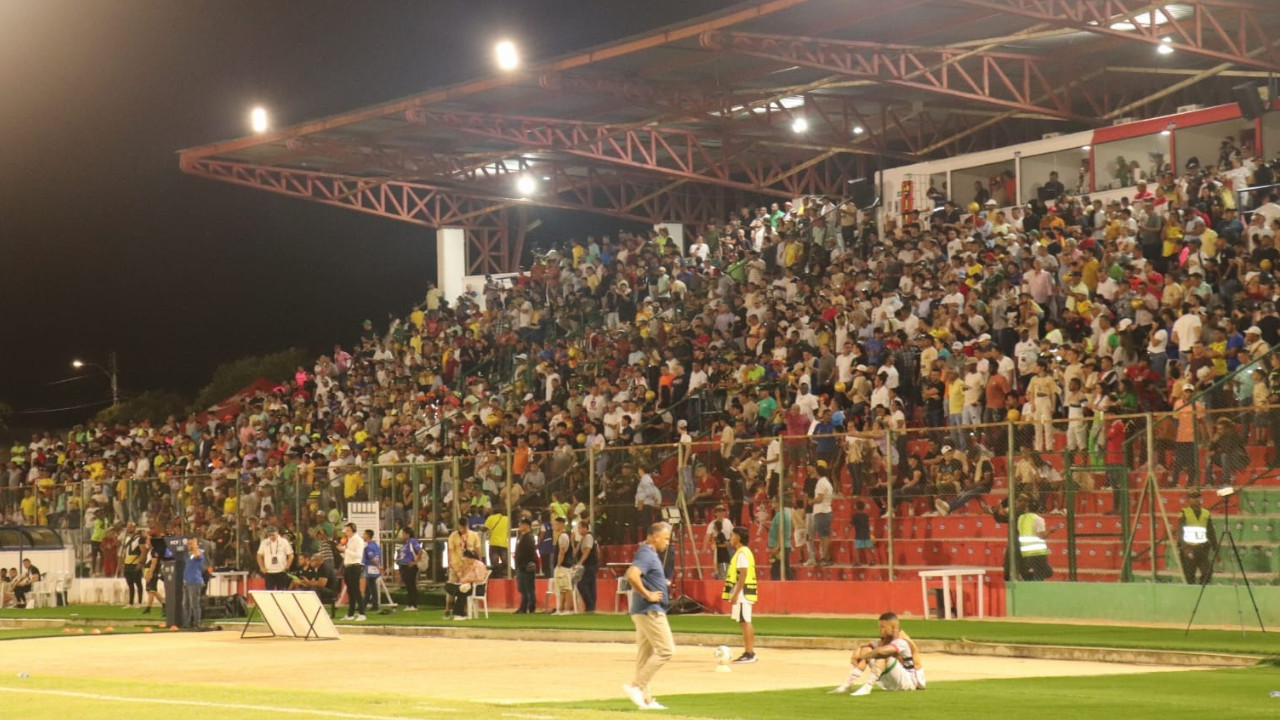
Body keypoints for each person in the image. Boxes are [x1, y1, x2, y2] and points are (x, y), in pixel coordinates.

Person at [622, 522, 674, 711]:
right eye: (665, 538)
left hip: (643, 610)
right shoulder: (646, 552)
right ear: (653, 536)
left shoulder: (649, 554)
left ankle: (646, 700)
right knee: (666, 650)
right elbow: (632, 574)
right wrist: (648, 594)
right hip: (650, 610)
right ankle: (635, 685)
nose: (667, 543)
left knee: (645, 656)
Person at [831, 612, 925, 695]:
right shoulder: (884, 640)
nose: (880, 630)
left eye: (883, 627)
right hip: (893, 682)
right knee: (866, 649)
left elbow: (881, 652)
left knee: (882, 654)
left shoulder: (902, 640)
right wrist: (858, 651)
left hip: (910, 683)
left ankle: (868, 687)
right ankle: (848, 684)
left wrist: (860, 656)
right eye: (879, 627)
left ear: (893, 627)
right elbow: (867, 648)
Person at [722, 526, 757, 664]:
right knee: (744, 621)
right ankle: (749, 652)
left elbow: (743, 574)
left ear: (738, 538)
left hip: (743, 592)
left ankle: (749, 653)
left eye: (732, 535)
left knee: (745, 621)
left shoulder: (742, 553)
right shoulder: (742, 552)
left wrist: (736, 594)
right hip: (744, 591)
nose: (730, 538)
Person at [1177, 490, 1217, 585]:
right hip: (1189, 548)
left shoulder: (1206, 513)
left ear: (1201, 499)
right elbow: (1180, 531)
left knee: (1207, 571)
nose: (1195, 500)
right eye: (1193, 498)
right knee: (1189, 574)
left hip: (1202, 548)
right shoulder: (1184, 513)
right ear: (1189, 500)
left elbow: (1210, 531)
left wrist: (1215, 547)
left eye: (1197, 498)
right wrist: (1184, 548)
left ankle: (1201, 590)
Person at [1015, 496, 1060, 581]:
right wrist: (1050, 531)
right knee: (1041, 574)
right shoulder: (1038, 519)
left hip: (1025, 551)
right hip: (1038, 552)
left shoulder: (1021, 518)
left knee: (1039, 573)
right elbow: (1041, 535)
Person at [445, 550, 489, 620]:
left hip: (476, 587)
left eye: (466, 560)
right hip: (465, 585)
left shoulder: (478, 565)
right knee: (449, 586)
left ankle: (459, 614)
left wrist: (469, 580)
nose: (465, 561)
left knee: (463, 591)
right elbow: (462, 578)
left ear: (469, 558)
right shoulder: (467, 565)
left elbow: (480, 579)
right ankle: (459, 613)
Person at [340, 522, 367, 621]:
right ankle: (350, 614)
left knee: (356, 590)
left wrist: (345, 551)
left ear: (353, 531)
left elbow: (358, 555)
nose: (346, 533)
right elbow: (347, 555)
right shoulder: (348, 540)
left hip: (355, 567)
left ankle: (362, 613)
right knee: (350, 591)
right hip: (348, 566)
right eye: (345, 531)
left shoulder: (358, 540)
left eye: (348, 531)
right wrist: (342, 551)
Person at [256, 525, 294, 592]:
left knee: (281, 592)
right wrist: (262, 567)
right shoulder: (264, 542)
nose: (272, 537)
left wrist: (287, 566)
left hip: (281, 571)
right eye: (270, 535)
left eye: (273, 535)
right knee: (269, 592)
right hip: (269, 572)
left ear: (277, 532)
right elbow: (259, 555)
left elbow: (290, 555)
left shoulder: (284, 542)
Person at [550, 516, 575, 614]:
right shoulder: (565, 536)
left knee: (567, 588)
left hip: (563, 566)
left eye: (556, 524)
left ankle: (568, 609)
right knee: (562, 589)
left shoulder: (563, 536)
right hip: (565, 565)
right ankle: (561, 609)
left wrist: (558, 564)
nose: (554, 527)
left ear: (561, 524)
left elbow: (562, 551)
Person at [395, 527, 424, 611]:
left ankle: (413, 604)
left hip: (410, 567)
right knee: (408, 586)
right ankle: (410, 604)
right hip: (403, 566)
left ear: (407, 534)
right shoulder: (405, 543)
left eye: (403, 533)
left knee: (411, 586)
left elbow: (420, 551)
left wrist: (415, 562)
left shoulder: (413, 541)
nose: (402, 535)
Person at [574, 520, 599, 613]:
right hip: (592, 564)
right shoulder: (585, 538)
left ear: (585, 528)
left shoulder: (588, 537)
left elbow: (587, 551)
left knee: (582, 584)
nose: (579, 530)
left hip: (590, 564)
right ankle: (591, 606)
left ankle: (589, 605)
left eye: (580, 528)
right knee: (591, 585)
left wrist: (580, 562)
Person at [514, 516, 538, 614]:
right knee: (522, 588)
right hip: (520, 566)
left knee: (529, 588)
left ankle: (531, 607)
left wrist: (526, 563)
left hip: (526, 567)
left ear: (527, 526)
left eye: (522, 524)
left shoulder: (529, 537)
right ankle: (523, 607)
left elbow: (529, 552)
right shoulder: (521, 537)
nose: (520, 525)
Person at [181, 537, 206, 629]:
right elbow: (187, 569)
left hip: (195, 581)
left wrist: (195, 546)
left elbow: (198, 556)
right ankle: (187, 623)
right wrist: (184, 581)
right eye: (188, 544)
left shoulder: (199, 552)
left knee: (194, 603)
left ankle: (197, 622)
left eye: (190, 544)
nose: (189, 546)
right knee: (185, 603)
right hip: (188, 582)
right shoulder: (188, 555)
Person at [703, 506, 733, 579]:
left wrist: (732, 542)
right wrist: (704, 547)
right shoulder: (712, 524)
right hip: (718, 545)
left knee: (730, 563)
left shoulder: (728, 521)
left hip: (728, 544)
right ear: (715, 513)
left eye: (722, 511)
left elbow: (732, 533)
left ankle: (728, 577)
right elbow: (707, 536)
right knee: (718, 563)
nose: (721, 513)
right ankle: (720, 577)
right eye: (719, 511)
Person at [121, 522, 146, 609]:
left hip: (135, 563)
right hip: (127, 563)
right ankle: (130, 602)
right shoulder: (126, 538)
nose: (129, 528)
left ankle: (139, 602)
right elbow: (125, 552)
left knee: (138, 583)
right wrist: (123, 563)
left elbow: (143, 551)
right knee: (130, 583)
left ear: (135, 528)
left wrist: (140, 563)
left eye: (131, 527)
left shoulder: (140, 539)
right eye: (128, 527)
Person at [142, 529, 167, 615]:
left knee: (151, 590)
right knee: (152, 590)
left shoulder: (155, 551)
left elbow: (154, 563)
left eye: (148, 540)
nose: (147, 542)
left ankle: (148, 608)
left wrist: (150, 573)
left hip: (153, 572)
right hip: (150, 571)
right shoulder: (151, 550)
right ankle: (164, 604)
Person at [362, 529, 382, 612]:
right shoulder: (376, 545)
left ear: (367, 536)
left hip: (370, 568)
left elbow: (372, 558)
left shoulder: (369, 547)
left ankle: (375, 605)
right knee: (368, 587)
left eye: (364, 534)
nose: (363, 536)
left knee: (372, 587)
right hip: (374, 568)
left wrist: (378, 566)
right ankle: (363, 604)